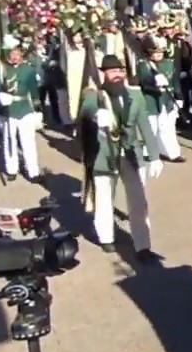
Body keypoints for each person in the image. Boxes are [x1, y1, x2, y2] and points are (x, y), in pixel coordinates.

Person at [79, 54, 164, 258]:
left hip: (130, 154)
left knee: (138, 201)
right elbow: (85, 111)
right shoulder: (95, 95)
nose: (117, 74)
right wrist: (96, 114)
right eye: (112, 71)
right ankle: (106, 238)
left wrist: (154, 156)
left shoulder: (136, 96)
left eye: (120, 70)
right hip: (104, 154)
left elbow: (145, 127)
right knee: (104, 198)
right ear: (104, 73)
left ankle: (142, 246)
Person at [0, 36, 43, 183]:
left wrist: (38, 108)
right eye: (11, 54)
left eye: (17, 54)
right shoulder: (1, 68)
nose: (14, 57)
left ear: (22, 54)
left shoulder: (28, 70)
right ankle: (11, 169)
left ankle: (33, 171)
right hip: (8, 109)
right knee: (9, 140)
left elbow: (33, 90)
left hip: (24, 108)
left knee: (28, 141)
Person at [136, 36, 184, 162]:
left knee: (168, 127)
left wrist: (179, 97)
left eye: (160, 52)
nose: (157, 55)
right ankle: (150, 152)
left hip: (168, 99)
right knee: (152, 127)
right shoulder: (143, 64)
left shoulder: (170, 63)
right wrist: (154, 84)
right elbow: (144, 82)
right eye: (154, 52)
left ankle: (172, 153)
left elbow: (175, 82)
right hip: (150, 100)